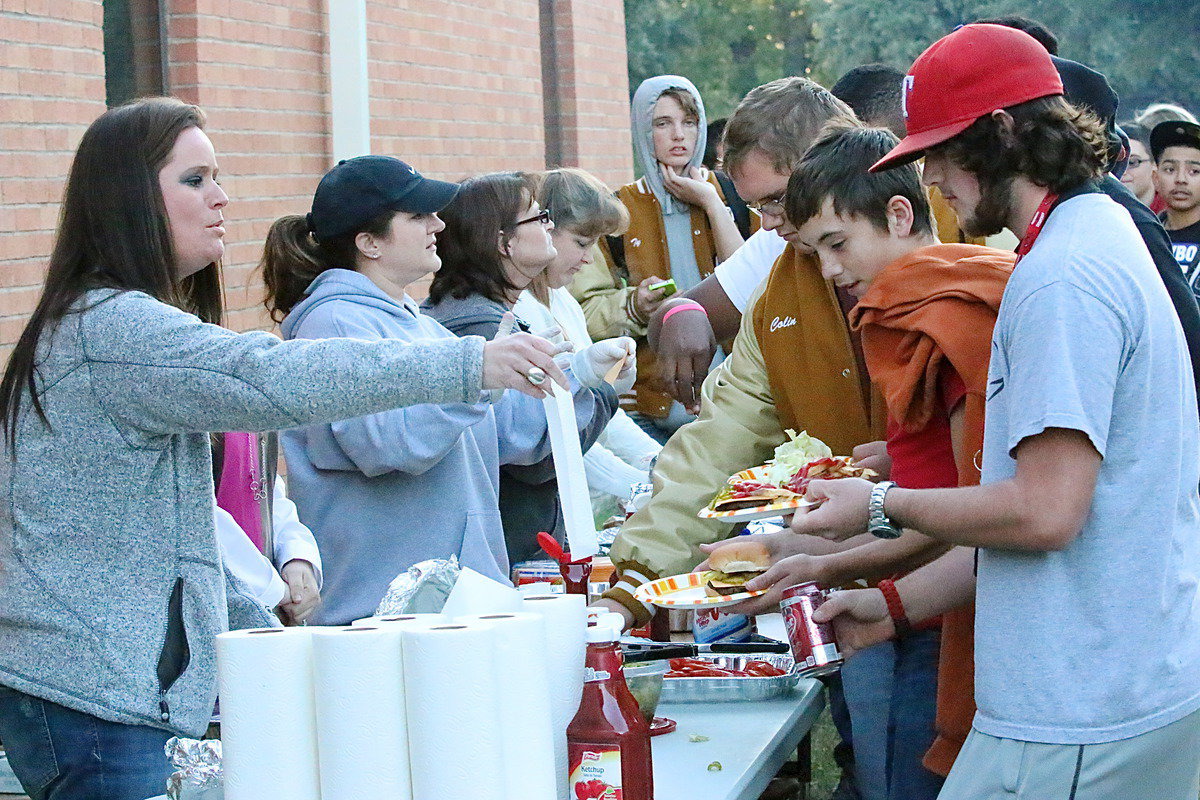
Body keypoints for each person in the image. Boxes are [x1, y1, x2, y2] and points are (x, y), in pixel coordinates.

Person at [0, 98, 569, 800]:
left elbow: (168, 535)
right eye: (194, 179)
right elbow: (270, 376)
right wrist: (466, 364)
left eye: (218, 176)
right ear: (128, 199)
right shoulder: (111, 330)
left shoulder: (115, 325)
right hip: (90, 699)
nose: (221, 197)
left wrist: (260, 619)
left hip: (107, 693)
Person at [795, 25, 1200, 799]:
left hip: (1083, 707)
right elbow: (1045, 532)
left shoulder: (1062, 278)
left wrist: (876, 503)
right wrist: (890, 608)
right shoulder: (1092, 231)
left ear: (1005, 132)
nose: (932, 174)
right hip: (1111, 687)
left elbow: (1045, 514)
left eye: (944, 150)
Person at [711, 121, 1015, 800]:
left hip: (943, 615)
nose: (830, 272)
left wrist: (826, 560)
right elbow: (940, 483)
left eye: (837, 245)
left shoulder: (949, 313)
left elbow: (971, 516)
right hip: (920, 598)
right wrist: (813, 547)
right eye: (815, 251)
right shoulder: (915, 307)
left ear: (901, 213)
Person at [423, 171, 621, 563]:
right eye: (537, 217)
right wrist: (599, 389)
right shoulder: (478, 330)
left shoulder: (499, 314)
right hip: (509, 551)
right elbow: (535, 458)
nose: (549, 225)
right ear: (503, 242)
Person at [570, 75, 752, 439]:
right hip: (648, 412)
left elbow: (752, 285)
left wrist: (711, 203)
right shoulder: (619, 208)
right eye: (662, 123)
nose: (679, 135)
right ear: (642, 131)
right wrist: (634, 305)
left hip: (736, 408)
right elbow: (583, 316)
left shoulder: (737, 193)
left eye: (689, 122)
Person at [513, 168, 662, 518]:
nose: (590, 258)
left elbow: (599, 414)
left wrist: (660, 462)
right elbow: (556, 433)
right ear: (544, 229)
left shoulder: (562, 300)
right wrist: (640, 484)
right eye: (581, 242)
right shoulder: (518, 311)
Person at [213, 431, 322, 626]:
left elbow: (270, 492)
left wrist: (296, 557)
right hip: (215, 605)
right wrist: (275, 589)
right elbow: (200, 518)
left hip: (267, 600)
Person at [1151, 119, 1200, 295]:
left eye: (1194, 171)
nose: (1180, 179)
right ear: (1155, 178)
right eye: (1170, 169)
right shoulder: (1145, 235)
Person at [1119, 121, 1158, 207]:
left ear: (1155, 165)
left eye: (1132, 162)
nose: (1122, 171)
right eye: (1115, 163)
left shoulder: (1174, 211)